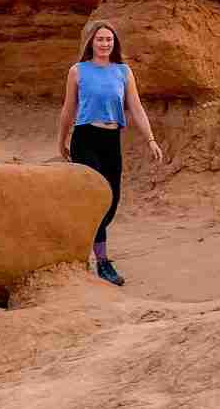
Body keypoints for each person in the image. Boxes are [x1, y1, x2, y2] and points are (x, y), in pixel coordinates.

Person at [57, 22, 162, 286]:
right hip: (85, 138)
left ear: (114, 43)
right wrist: (61, 140)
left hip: (111, 139)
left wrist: (150, 139)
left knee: (112, 201)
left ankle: (85, 246)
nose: (105, 44)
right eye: (100, 39)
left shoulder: (123, 72)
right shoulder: (78, 71)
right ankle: (102, 262)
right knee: (96, 198)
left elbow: (136, 109)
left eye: (109, 40)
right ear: (91, 42)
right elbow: (68, 109)